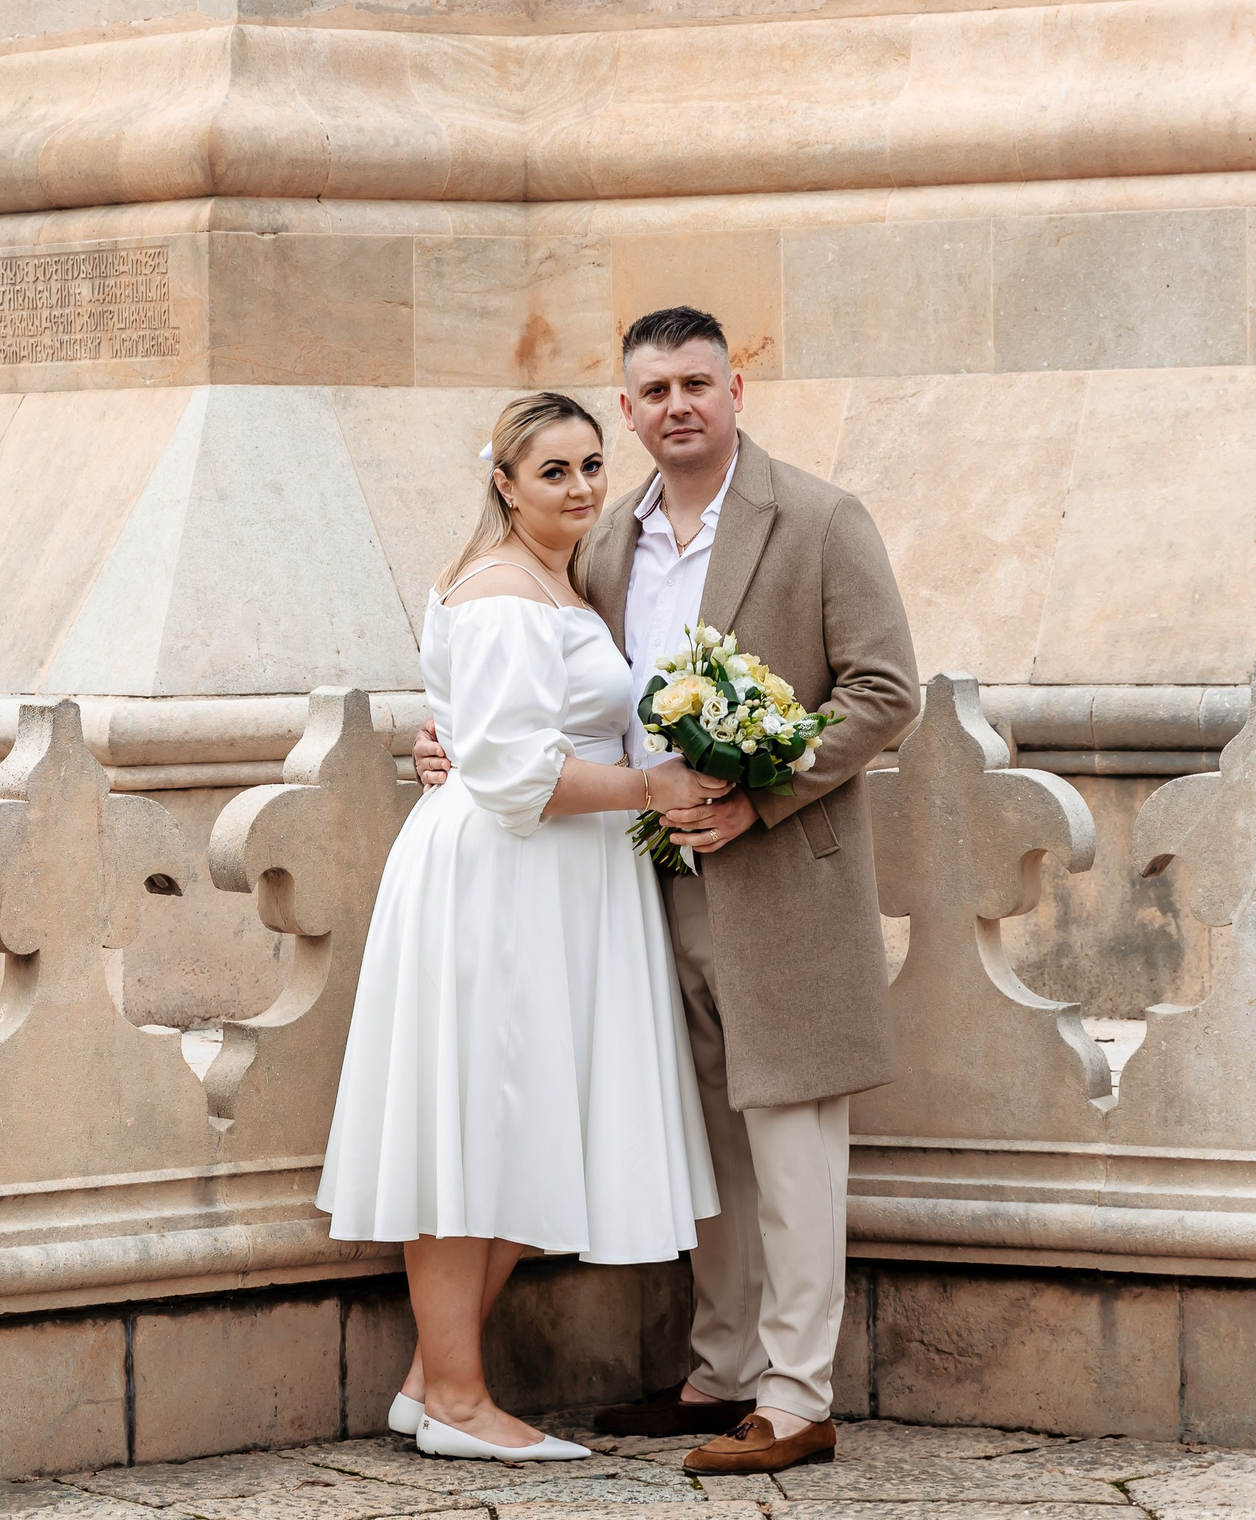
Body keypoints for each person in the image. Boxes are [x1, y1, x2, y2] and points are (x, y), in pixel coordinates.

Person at [411, 307, 920, 1474]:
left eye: (699, 381)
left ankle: (795, 1398)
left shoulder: (820, 518)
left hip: (781, 876)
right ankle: (723, 1368)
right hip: (644, 887)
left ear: (737, 390)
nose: (677, 405)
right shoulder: (601, 539)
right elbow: (531, 688)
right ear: (630, 409)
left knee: (791, 1138)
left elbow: (886, 692)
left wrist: (763, 790)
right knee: (710, 1142)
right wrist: (444, 749)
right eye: (654, 391)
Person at [319, 390, 726, 1464]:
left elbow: (485, 736)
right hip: (500, 884)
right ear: (503, 481)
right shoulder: (505, 591)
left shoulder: (560, 577)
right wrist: (654, 787)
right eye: (554, 470)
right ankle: (456, 1399)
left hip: (557, 885)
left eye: (593, 464)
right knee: (475, 1130)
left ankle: (428, 1384)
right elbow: (508, 774)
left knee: (528, 1128)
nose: (584, 486)